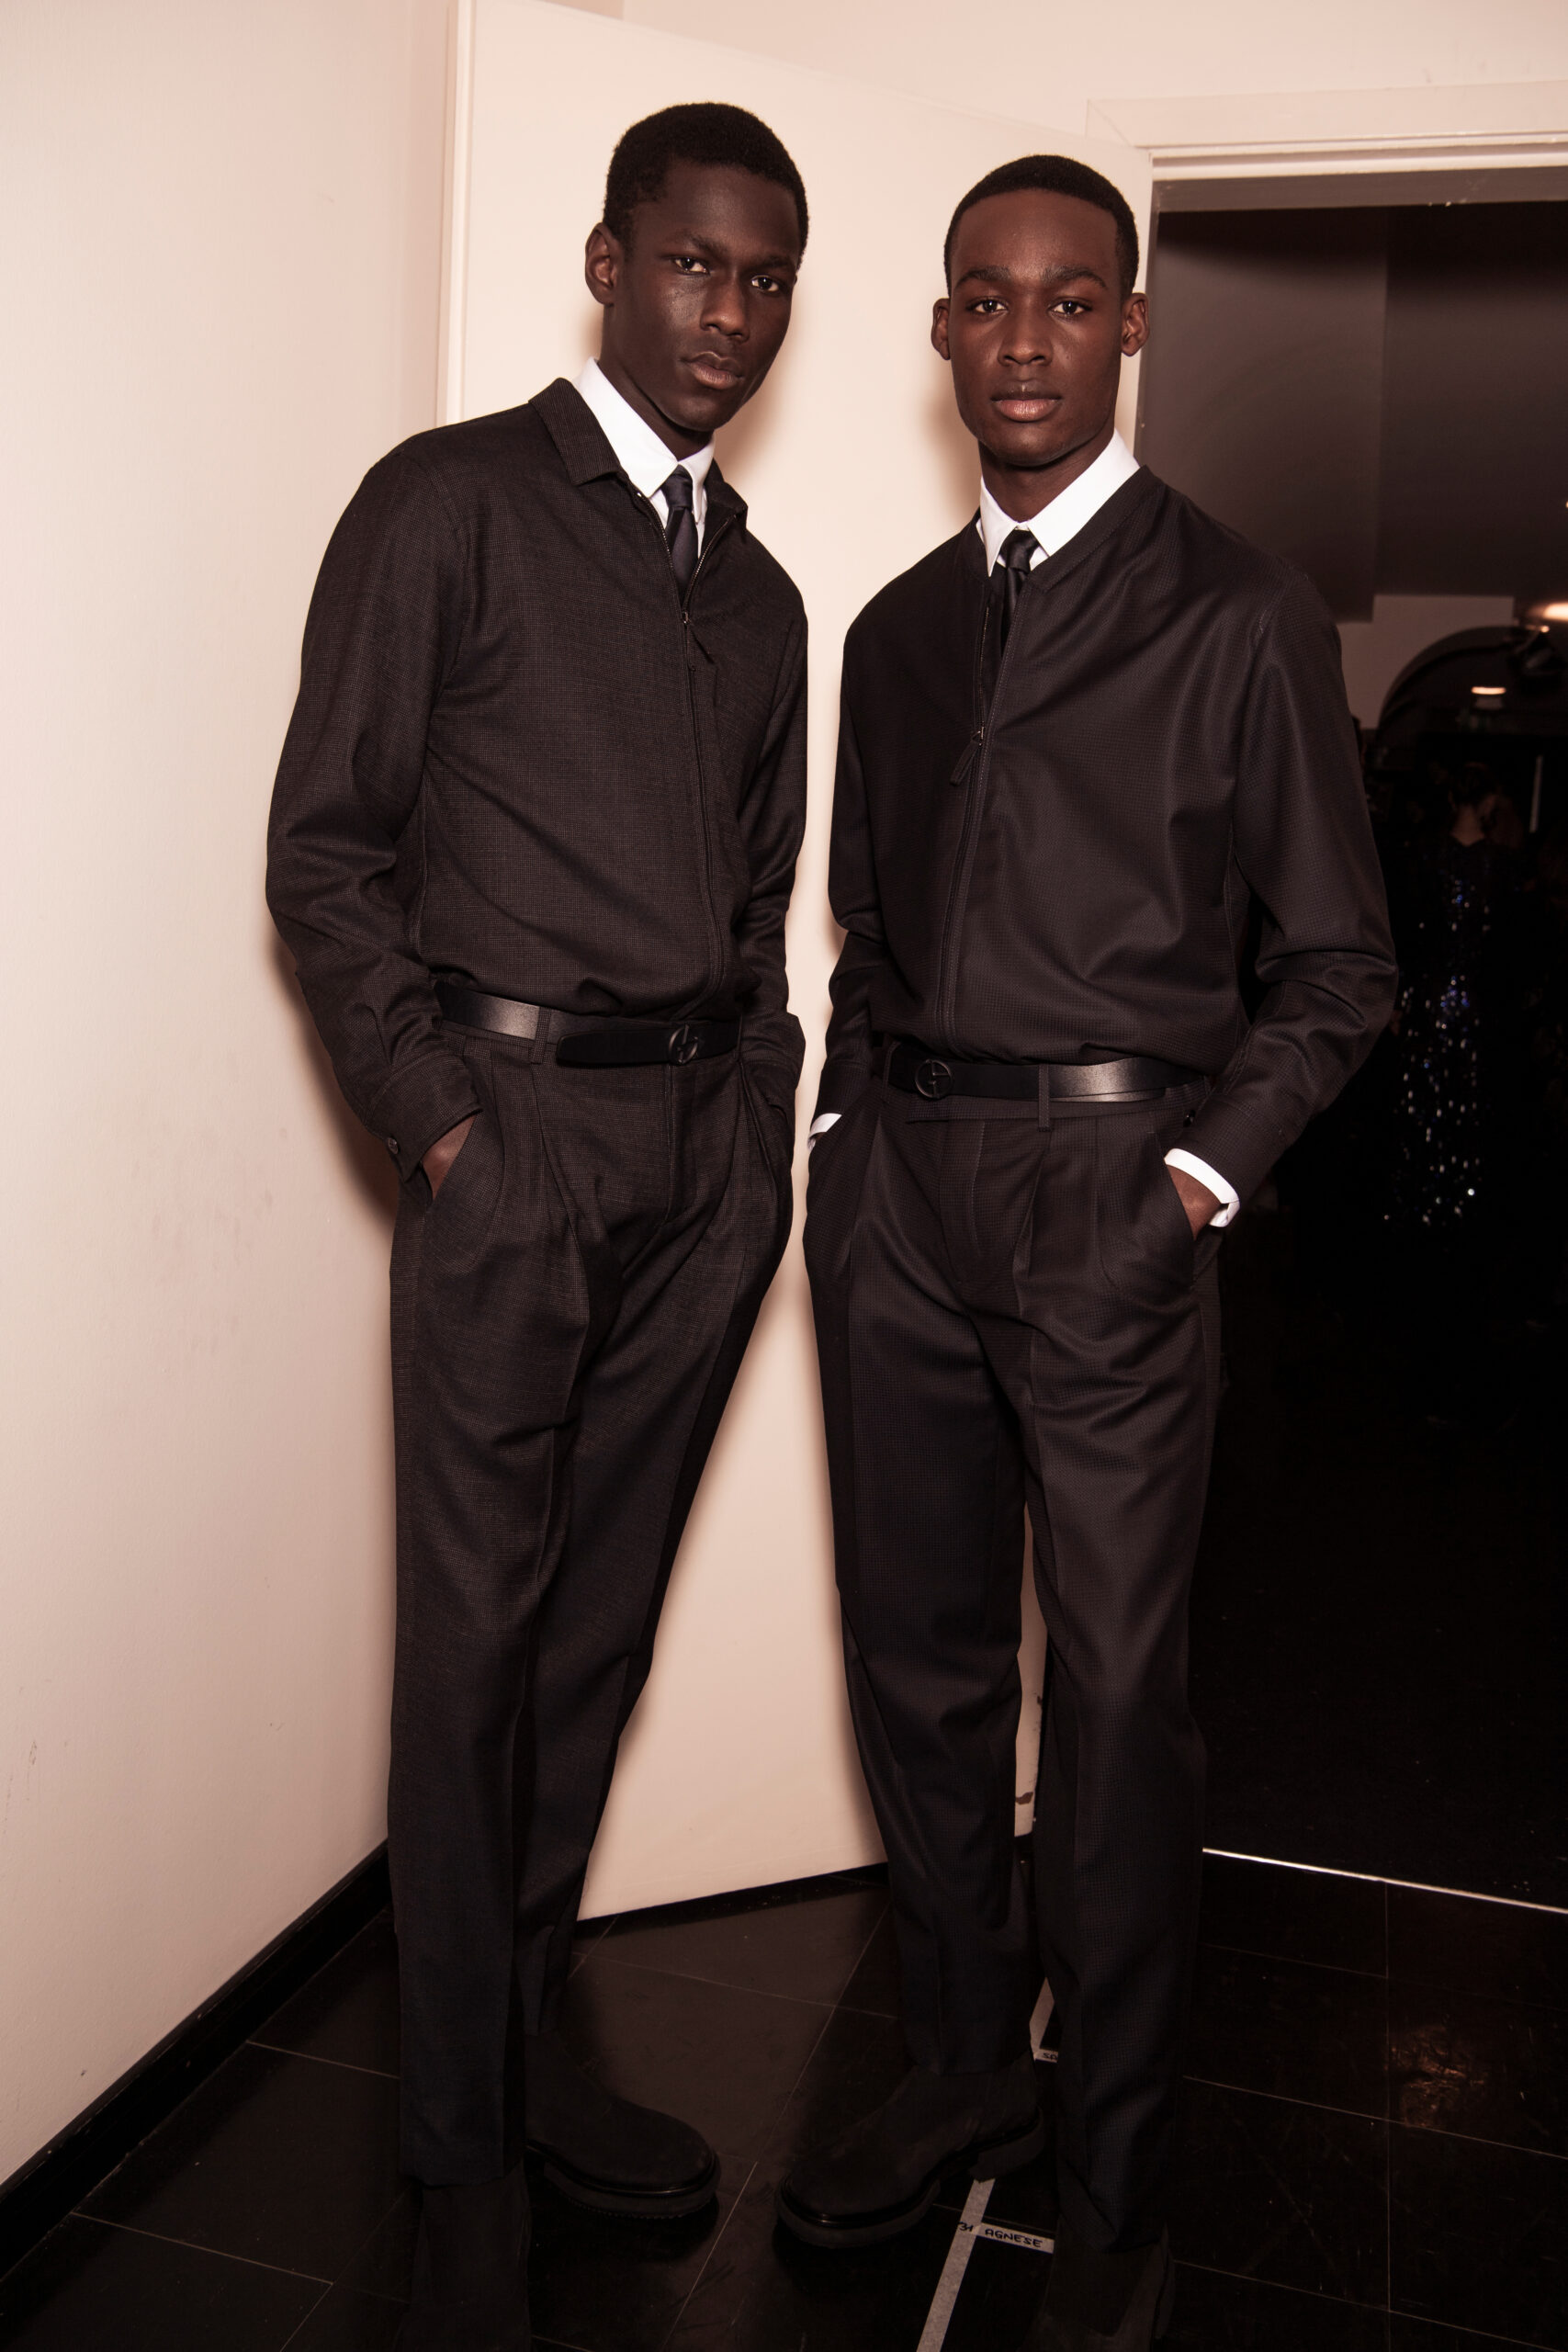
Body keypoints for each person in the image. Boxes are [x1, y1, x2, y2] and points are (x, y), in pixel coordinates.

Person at [786, 155, 1395, 2350]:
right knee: (915, 1664)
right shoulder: (893, 632)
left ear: (1126, 325)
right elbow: (864, 933)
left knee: (1118, 1703)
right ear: (942, 328)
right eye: (985, 298)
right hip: (900, 1206)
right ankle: (966, 2062)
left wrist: (1189, 1181)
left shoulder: (1238, 609)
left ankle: (1116, 2166)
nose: (1022, 337)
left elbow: (1337, 965)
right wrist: (844, 1148)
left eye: (1066, 299)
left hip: (1115, 1200)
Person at [266, 104, 809, 2352]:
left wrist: (757, 1138)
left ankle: (516, 2058)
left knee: (592, 1638)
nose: (726, 312)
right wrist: (441, 1130)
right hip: (511, 1146)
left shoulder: (759, 593)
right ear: (606, 262)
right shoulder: (449, 503)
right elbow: (325, 855)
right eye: (691, 262)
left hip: (701, 1164)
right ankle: (455, 2148)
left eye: (764, 278)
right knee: (476, 1647)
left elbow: (762, 904)